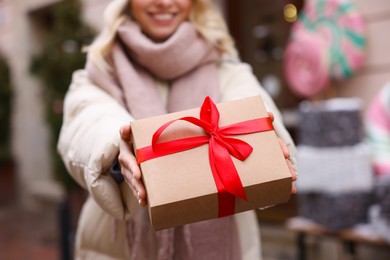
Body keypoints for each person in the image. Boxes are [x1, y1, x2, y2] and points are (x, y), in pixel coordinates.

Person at [57, 0, 297, 259]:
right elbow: (90, 118)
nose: (165, 2)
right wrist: (118, 145)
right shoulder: (100, 70)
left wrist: (266, 144)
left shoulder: (224, 67)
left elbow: (251, 104)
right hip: (123, 247)